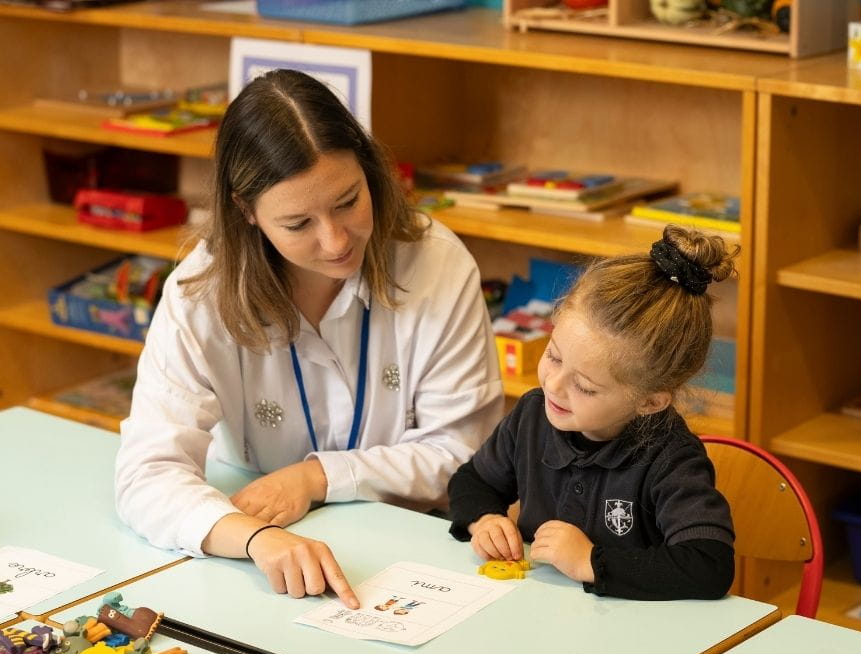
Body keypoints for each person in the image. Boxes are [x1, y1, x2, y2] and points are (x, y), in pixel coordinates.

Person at [115, 69, 504, 608]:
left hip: (415, 546)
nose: (337, 241)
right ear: (245, 211)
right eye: (298, 223)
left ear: (369, 170)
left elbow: (465, 452)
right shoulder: (199, 291)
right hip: (262, 550)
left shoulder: (437, 262)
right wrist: (253, 538)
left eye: (348, 200)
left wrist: (318, 477)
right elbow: (148, 472)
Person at [448, 225, 738, 600]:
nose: (552, 385)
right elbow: (472, 482)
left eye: (584, 386)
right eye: (553, 356)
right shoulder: (533, 415)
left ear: (649, 401)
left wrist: (590, 561)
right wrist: (485, 519)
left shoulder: (672, 458)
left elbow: (709, 566)